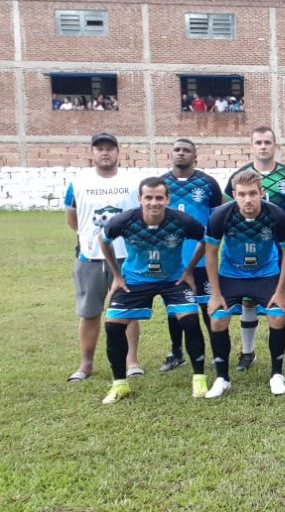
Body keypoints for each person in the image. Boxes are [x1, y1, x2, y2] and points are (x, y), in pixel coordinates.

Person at [97, 178, 207, 403]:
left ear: (167, 199)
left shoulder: (181, 221)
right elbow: (103, 240)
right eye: (148, 197)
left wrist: (189, 270)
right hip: (135, 280)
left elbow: (207, 240)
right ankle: (119, 385)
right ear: (140, 199)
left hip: (173, 280)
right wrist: (116, 275)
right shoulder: (124, 221)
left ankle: (199, 380)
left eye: (159, 197)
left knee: (190, 321)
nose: (153, 202)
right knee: (113, 326)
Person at [203, 170, 285, 398]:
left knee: (277, 316)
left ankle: (276, 374)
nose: (248, 199)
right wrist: (215, 293)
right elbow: (211, 252)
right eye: (242, 194)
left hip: (266, 274)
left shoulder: (276, 214)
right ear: (234, 195)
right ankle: (222, 378)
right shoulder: (220, 215)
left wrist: (281, 290)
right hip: (231, 275)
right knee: (217, 320)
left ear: (261, 193)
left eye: (253, 193)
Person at [224, 126, 285, 371]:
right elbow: (226, 206)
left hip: (284, 247)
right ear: (251, 146)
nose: (263, 146)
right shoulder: (239, 176)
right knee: (249, 301)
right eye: (258, 142)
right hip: (252, 248)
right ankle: (247, 352)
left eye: (267, 142)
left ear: (275, 146)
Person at [63, 132, 141, 383]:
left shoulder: (133, 181)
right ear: (92, 153)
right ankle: (86, 363)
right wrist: (88, 239)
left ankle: (131, 361)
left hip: (126, 257)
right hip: (91, 257)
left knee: (127, 311)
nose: (105, 152)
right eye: (100, 148)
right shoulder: (78, 182)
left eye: (110, 148)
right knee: (89, 312)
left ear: (118, 152)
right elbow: (72, 218)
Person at [159, 138, 222, 372]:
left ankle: (217, 355)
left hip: (203, 259)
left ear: (195, 156)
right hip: (172, 261)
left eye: (186, 150)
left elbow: (216, 221)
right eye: (177, 150)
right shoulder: (162, 184)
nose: (181, 153)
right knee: (175, 310)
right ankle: (176, 353)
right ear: (171, 154)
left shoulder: (208, 184)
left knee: (208, 308)